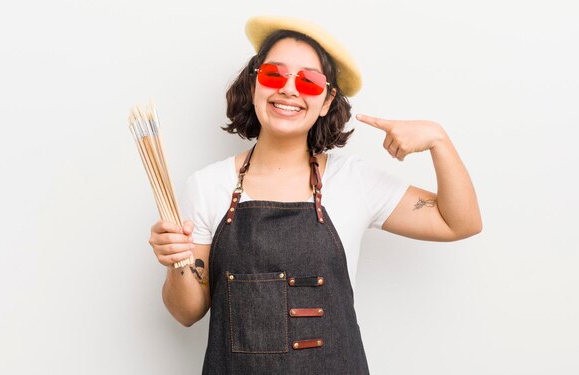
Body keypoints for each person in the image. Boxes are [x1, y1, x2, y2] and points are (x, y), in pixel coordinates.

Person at [148, 15, 482, 374]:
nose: (289, 90)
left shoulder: (353, 181)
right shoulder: (207, 185)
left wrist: (438, 140)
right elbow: (186, 313)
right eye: (275, 74)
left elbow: (459, 222)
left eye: (309, 81)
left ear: (326, 101)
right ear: (255, 83)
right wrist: (176, 262)